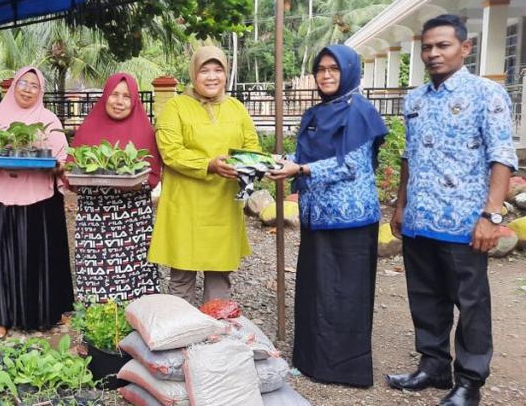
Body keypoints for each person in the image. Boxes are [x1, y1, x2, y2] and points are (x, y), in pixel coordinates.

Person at [386, 14, 517, 406]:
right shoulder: (415, 99)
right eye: (427, 47)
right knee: (425, 297)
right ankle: (434, 366)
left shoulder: (487, 94)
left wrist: (492, 215)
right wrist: (401, 205)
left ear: (465, 47)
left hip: (465, 222)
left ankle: (470, 382)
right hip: (420, 220)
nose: (433, 53)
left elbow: (502, 156)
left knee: (471, 303)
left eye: (442, 45)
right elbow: (408, 155)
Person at [269, 44, 387, 387]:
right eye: (321, 69)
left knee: (346, 294)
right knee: (317, 290)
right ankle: (313, 362)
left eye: (334, 68)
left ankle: (346, 369)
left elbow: (352, 165)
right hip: (316, 216)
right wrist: (280, 162)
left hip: (351, 220)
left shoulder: (360, 112)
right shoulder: (316, 114)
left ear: (348, 71)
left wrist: (300, 169)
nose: (326, 75)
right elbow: (304, 156)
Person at [148, 45, 260, 304]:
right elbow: (170, 151)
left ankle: (217, 326)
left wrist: (248, 164)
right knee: (182, 273)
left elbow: (251, 145)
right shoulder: (176, 107)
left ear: (226, 74)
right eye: (204, 70)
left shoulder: (237, 108)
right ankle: (181, 326)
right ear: (193, 74)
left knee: (219, 273)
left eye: (218, 70)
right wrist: (208, 164)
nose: (212, 77)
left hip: (223, 202)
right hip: (185, 203)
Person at [0, 66, 73, 337]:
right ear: (13, 86)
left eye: (34, 85)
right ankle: (0, 318)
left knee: (42, 257)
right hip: (4, 197)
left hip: (42, 199)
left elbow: (62, 160)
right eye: (23, 83)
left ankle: (47, 313)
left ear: (41, 91)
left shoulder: (48, 119)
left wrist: (54, 166)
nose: (28, 89)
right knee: (3, 258)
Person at [69, 73, 162, 303]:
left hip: (133, 221)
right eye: (114, 94)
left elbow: (152, 176)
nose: (119, 101)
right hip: (94, 220)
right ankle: (96, 321)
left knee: (136, 278)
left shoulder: (145, 131)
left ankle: (137, 320)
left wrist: (134, 181)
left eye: (127, 96)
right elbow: (71, 174)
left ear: (135, 101)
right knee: (95, 278)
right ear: (105, 97)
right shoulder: (88, 129)